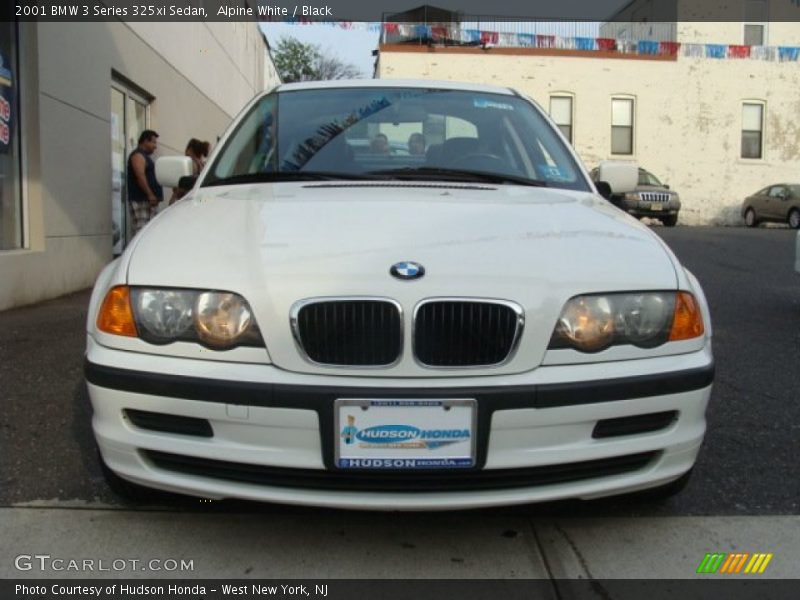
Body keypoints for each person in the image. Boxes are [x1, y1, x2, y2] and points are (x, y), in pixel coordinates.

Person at [127, 130, 163, 235]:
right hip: (141, 201)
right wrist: (150, 194)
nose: (155, 146)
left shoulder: (144, 156)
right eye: (153, 142)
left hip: (147, 202)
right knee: (141, 233)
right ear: (145, 141)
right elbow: (140, 175)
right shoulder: (138, 155)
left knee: (149, 233)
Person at [169, 138, 210, 204]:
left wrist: (176, 188)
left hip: (184, 202)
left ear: (190, 150)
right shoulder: (203, 165)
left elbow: (182, 188)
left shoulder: (191, 164)